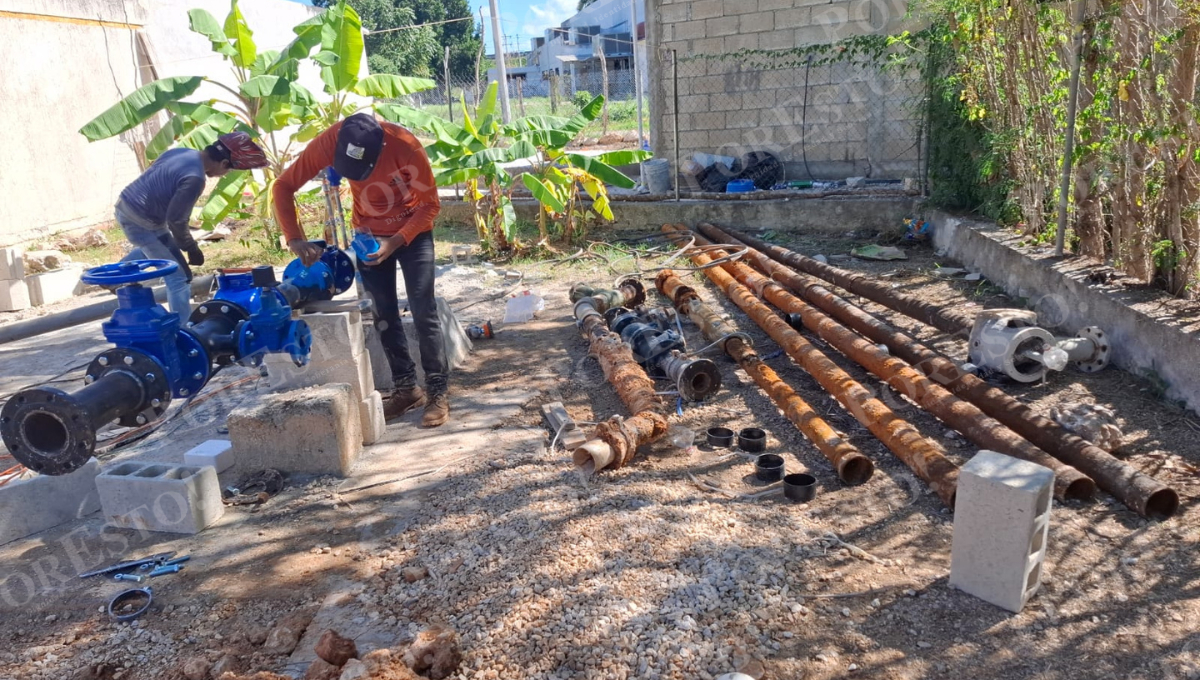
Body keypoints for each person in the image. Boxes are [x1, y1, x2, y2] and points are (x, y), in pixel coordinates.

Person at [272, 112, 449, 428]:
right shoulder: (328, 141)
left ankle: (437, 390)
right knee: (383, 315)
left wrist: (395, 242)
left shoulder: (405, 146)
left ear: (380, 146)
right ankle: (407, 389)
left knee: (424, 311)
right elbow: (283, 185)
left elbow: (430, 205)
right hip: (367, 235)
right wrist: (295, 237)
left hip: (413, 230)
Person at [115, 132, 268, 316]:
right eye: (228, 171)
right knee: (178, 279)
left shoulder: (182, 152)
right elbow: (176, 220)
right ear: (224, 163)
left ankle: (115, 275)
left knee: (167, 258)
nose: (224, 175)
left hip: (132, 209)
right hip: (140, 222)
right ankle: (185, 332)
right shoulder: (195, 178)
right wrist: (191, 247)